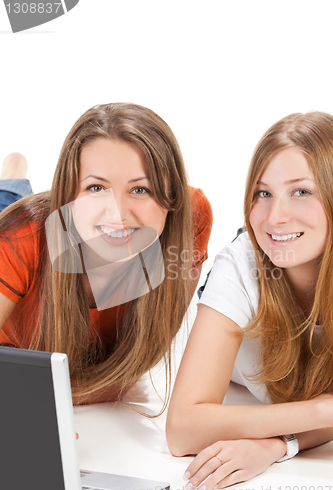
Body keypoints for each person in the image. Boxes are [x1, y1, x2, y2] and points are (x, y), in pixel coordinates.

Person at [0, 103, 212, 406]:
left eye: (140, 190)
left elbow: (139, 359)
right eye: (96, 187)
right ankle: (12, 173)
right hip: (21, 232)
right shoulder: (19, 240)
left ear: (171, 199)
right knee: (8, 203)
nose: (118, 214)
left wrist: (54, 398)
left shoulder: (190, 217)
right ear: (67, 195)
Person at [166, 111, 333, 490]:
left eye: (301, 191)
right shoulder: (241, 263)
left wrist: (275, 446)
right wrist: (322, 409)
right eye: (263, 193)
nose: (275, 217)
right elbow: (182, 429)